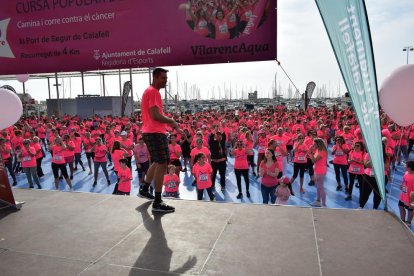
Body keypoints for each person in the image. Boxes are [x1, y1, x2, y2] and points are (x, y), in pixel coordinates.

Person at [138, 68, 181, 213]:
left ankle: (144, 188)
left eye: (166, 78)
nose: (166, 81)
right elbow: (156, 116)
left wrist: (171, 124)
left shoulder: (149, 91)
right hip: (155, 133)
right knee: (162, 163)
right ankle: (157, 201)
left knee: (157, 162)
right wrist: (172, 121)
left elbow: (157, 114)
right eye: (163, 78)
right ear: (156, 77)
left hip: (151, 131)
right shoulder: (154, 92)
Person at [308, 138, 328, 207]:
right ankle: (318, 201)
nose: (313, 145)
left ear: (318, 144)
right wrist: (311, 155)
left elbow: (314, 161)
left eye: (314, 144)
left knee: (320, 187)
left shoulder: (321, 152)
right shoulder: (318, 150)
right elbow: (314, 160)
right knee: (318, 186)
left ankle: (323, 204)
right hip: (317, 170)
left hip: (320, 171)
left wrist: (311, 152)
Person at [399, 160, 414, 227]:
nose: (404, 166)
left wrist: (412, 201)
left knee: (410, 210)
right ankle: (402, 220)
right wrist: (401, 185)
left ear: (409, 167)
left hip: (411, 198)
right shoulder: (406, 173)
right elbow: (404, 182)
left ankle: (408, 222)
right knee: (401, 206)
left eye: (406, 165)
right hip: (403, 195)